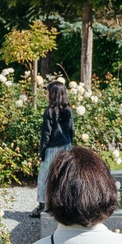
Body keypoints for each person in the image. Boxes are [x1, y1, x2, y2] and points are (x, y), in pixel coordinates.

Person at [35, 77, 76, 211]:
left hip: (52, 148)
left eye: (47, 92)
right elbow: (71, 130)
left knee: (45, 176)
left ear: (53, 94)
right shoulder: (68, 110)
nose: (46, 94)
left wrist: (42, 152)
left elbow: (46, 133)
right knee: (63, 175)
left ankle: (43, 205)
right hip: (65, 147)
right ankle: (61, 204)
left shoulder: (50, 111)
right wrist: (69, 146)